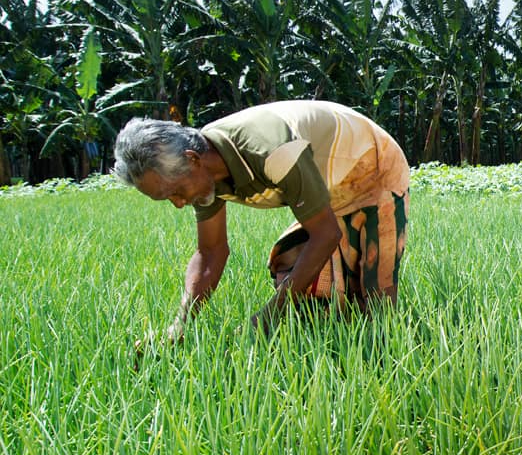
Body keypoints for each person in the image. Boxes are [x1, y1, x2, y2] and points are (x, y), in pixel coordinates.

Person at [113, 100, 410, 340]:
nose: (178, 204)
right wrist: (180, 325)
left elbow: (325, 234)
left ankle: (380, 362)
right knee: (293, 264)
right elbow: (211, 252)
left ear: (193, 159)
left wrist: (268, 316)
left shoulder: (271, 152)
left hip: (373, 168)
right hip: (330, 187)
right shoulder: (205, 175)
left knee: (376, 299)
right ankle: (330, 349)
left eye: (176, 192)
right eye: (168, 198)